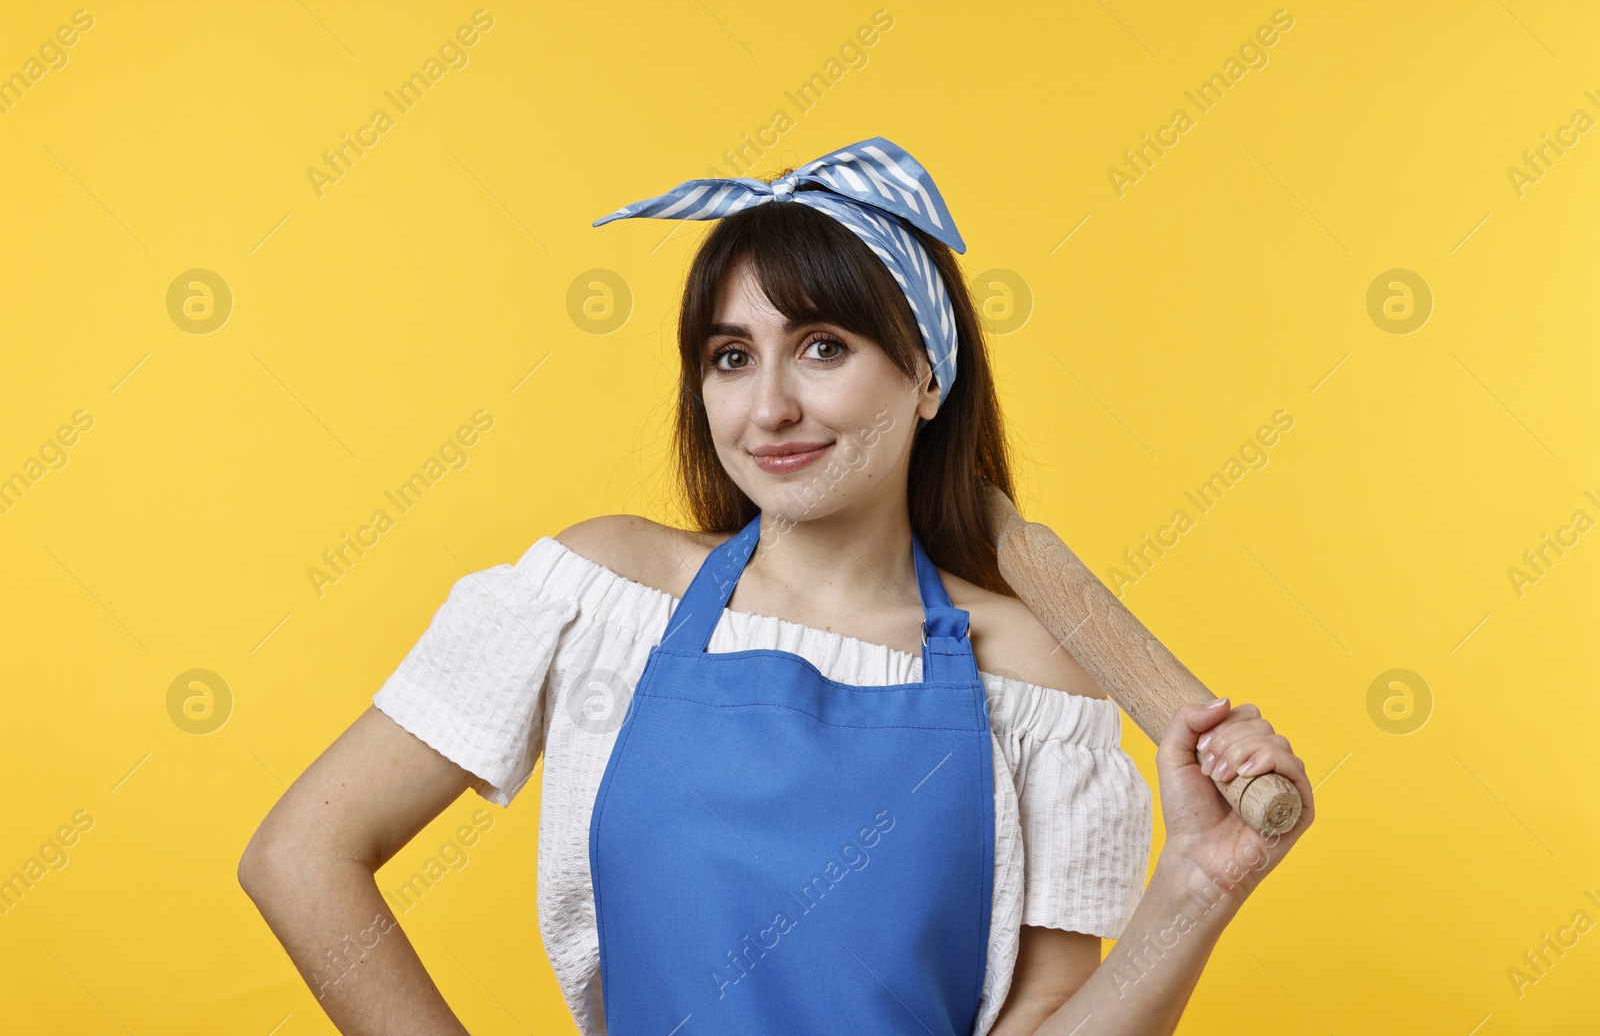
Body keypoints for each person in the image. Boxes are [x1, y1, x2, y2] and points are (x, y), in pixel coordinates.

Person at [238, 137, 1315, 1036]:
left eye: (821, 346)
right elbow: (301, 854)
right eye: (730, 357)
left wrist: (1198, 888)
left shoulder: (1029, 672)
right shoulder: (605, 593)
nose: (769, 409)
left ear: (926, 374)